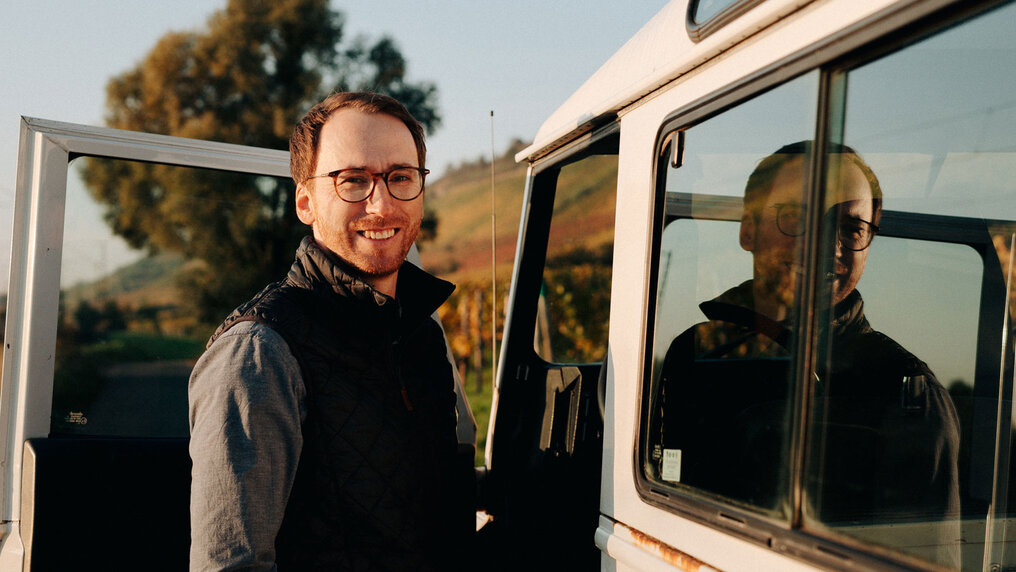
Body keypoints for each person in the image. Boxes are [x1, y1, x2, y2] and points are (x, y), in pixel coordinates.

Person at [188, 92, 466, 570]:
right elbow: (231, 564)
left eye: (400, 177)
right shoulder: (259, 352)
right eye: (353, 181)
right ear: (305, 202)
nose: (380, 204)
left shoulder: (420, 333)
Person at [654, 142, 960, 537]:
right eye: (798, 217)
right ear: (748, 230)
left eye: (850, 228)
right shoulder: (695, 351)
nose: (824, 245)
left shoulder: (905, 390)